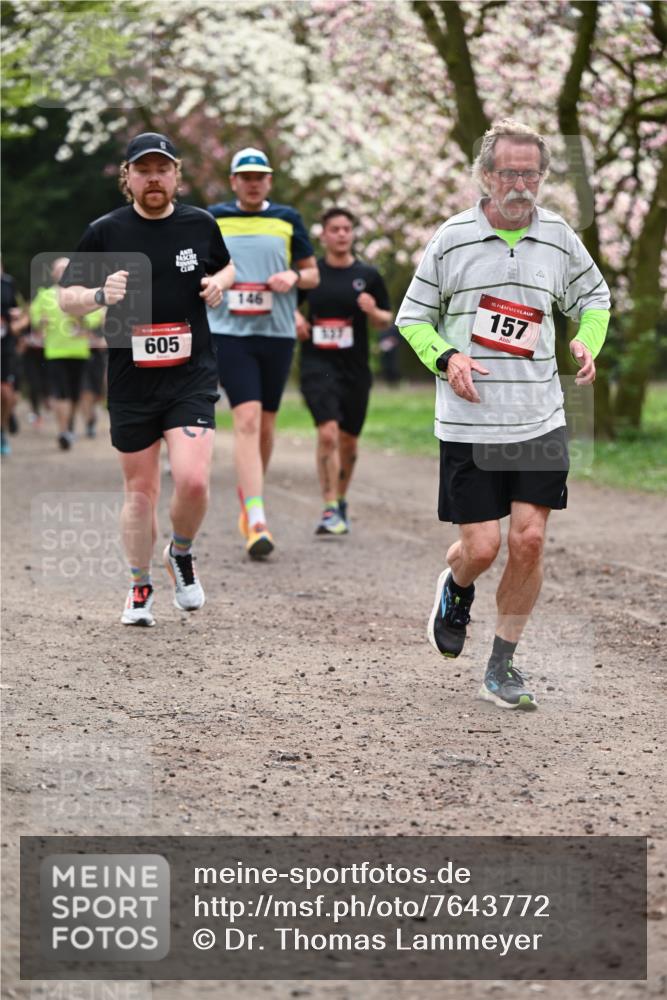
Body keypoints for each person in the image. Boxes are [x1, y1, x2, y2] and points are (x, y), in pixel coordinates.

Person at [396, 118, 610, 711]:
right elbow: (412, 318)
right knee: (482, 549)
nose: (521, 183)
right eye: (509, 172)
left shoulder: (560, 236)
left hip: (539, 415)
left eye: (531, 173)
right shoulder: (452, 239)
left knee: (531, 539)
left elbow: (593, 297)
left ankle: (502, 665)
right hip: (469, 422)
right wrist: (447, 356)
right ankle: (456, 586)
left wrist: (589, 338)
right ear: (486, 175)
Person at [59, 132, 235, 626]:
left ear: (176, 175)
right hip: (131, 378)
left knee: (195, 480)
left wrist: (218, 283)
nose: (153, 178)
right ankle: (140, 587)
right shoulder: (105, 232)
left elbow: (228, 267)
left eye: (162, 169)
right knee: (141, 491)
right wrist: (98, 294)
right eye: (143, 169)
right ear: (128, 178)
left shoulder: (200, 224)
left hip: (191, 373)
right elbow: (64, 296)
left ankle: (180, 552)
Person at [207, 148, 319, 559]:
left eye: (260, 177)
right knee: (247, 418)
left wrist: (293, 275)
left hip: (276, 333)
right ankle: (256, 517)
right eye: (245, 177)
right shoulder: (213, 217)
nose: (253, 183)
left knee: (266, 426)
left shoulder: (287, 219)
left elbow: (312, 272)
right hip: (228, 331)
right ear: (234, 181)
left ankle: (249, 496)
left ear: (268, 181)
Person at [296, 207, 392, 535]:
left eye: (346, 229)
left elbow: (386, 321)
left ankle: (340, 499)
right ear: (323, 234)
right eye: (334, 229)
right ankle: (328, 508)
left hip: (354, 367)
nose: (341, 234)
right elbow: (289, 307)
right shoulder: (311, 274)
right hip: (317, 365)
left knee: (349, 441)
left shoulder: (369, 274)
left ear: (352, 234)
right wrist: (296, 318)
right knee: (328, 432)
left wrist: (373, 310)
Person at [30, 257, 100, 450]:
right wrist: (39, 322)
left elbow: (96, 318)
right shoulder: (44, 295)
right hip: (55, 352)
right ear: (53, 274)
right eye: (59, 269)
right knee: (61, 393)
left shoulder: (83, 294)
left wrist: (79, 315)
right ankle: (62, 431)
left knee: (75, 395)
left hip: (79, 352)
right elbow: (35, 318)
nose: (62, 272)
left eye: (66, 269)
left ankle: (68, 427)